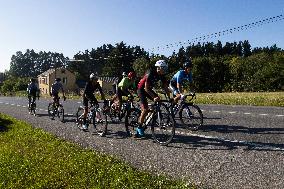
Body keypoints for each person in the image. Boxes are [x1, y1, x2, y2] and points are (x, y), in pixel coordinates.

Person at [136, 60, 171, 137]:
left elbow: (166, 88)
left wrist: (170, 98)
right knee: (145, 109)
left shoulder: (162, 75)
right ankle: (139, 127)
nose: (165, 70)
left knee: (158, 100)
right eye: (164, 68)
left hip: (148, 89)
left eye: (165, 69)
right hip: (141, 89)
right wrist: (154, 97)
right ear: (158, 68)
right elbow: (146, 88)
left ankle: (149, 115)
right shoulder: (150, 73)